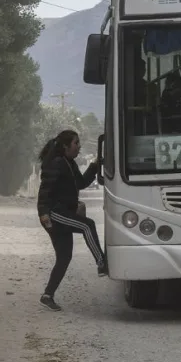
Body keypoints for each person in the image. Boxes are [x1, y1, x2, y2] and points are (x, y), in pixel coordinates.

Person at [36, 130, 107, 312]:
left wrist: (94, 165)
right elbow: (44, 192)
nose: (79, 146)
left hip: (63, 213)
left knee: (64, 257)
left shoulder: (69, 163)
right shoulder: (56, 164)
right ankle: (101, 263)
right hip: (54, 215)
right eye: (76, 143)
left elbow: (81, 183)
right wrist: (44, 214)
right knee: (87, 225)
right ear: (66, 146)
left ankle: (47, 295)